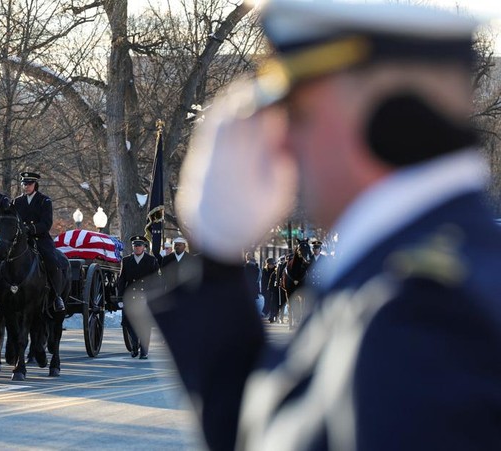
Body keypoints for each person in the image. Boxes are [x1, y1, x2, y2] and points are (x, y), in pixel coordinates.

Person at [148, 1, 501, 449]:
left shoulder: (421, 318)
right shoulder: (426, 280)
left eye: (296, 115)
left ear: (382, 118)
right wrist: (217, 262)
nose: (280, 142)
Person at [11, 171, 65, 312]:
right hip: (22, 239)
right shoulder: (17, 202)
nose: (26, 186)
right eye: (24, 184)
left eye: (29, 184)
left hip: (40, 238)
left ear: (35, 184)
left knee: (52, 261)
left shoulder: (44, 201)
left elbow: (46, 223)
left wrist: (31, 228)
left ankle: (57, 296)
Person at [117, 235, 160, 359]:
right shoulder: (126, 260)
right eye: (135, 246)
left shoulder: (151, 260)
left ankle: (144, 350)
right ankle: (135, 344)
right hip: (131, 296)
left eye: (139, 246)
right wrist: (120, 298)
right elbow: (122, 280)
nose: (136, 248)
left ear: (144, 247)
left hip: (146, 296)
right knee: (129, 323)